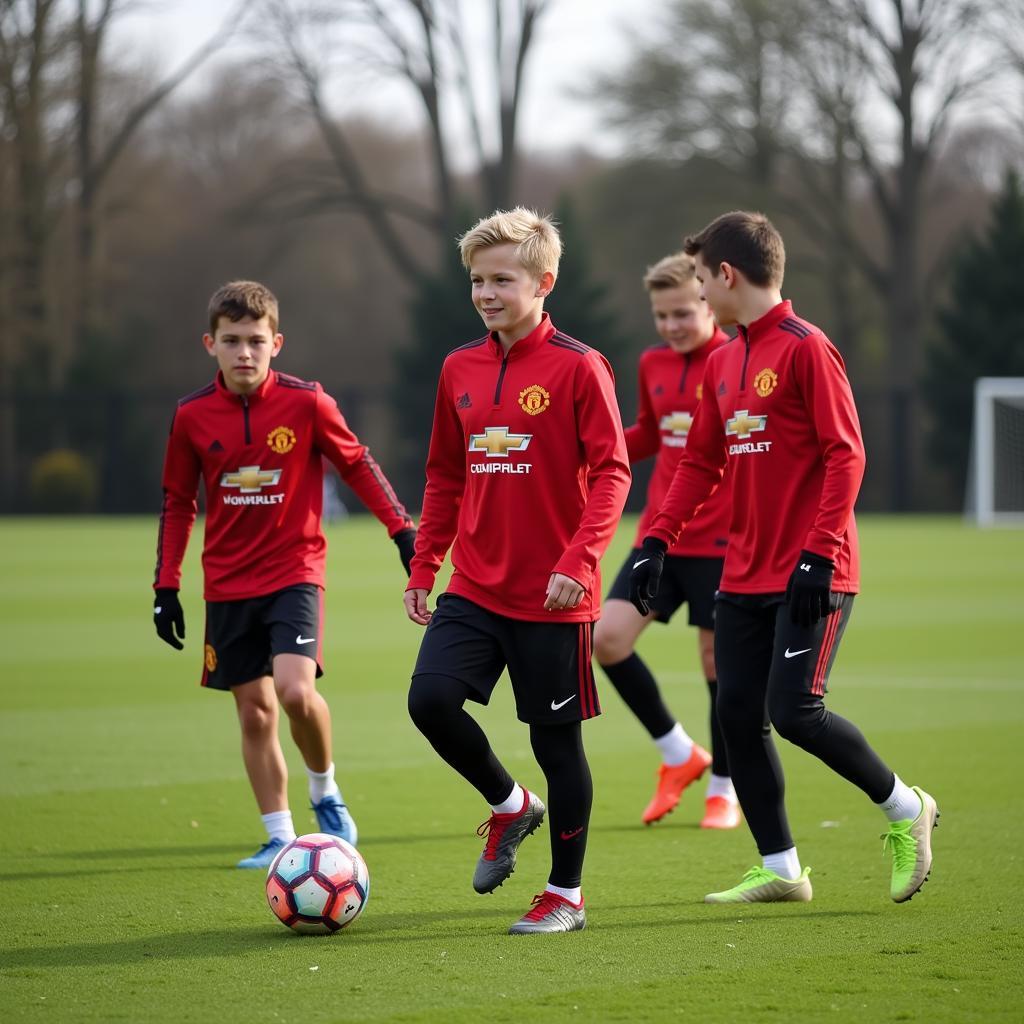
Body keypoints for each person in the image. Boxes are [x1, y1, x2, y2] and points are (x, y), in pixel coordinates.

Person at [629, 212, 938, 905]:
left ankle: (905, 809)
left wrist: (819, 556)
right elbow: (701, 461)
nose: (702, 292)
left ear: (727, 275)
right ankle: (781, 869)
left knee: (796, 712)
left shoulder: (807, 348)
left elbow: (844, 454)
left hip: (812, 572)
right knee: (738, 717)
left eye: (704, 278)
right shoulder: (724, 359)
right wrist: (656, 541)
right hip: (742, 573)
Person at [404, 208, 631, 934]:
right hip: (474, 582)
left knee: (555, 745)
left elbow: (613, 473)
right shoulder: (457, 368)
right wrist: (423, 564)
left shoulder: (578, 365)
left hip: (554, 593)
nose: (487, 292)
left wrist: (580, 559)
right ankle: (510, 805)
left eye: (502, 278)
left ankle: (566, 896)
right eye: (477, 279)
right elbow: (444, 474)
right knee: (430, 702)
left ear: (544, 281)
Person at [153, 280, 416, 869]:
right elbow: (177, 501)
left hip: (294, 571)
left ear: (277, 342)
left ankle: (326, 793)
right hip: (226, 583)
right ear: (210, 344)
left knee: (296, 691)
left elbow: (358, 465)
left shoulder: (307, 403)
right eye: (231, 341)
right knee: (255, 710)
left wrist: (401, 530)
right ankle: (278, 834)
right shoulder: (192, 416)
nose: (244, 352)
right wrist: (165, 586)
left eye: (255, 340)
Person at [595, 252, 739, 830]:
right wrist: (589, 455)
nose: (672, 326)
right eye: (661, 315)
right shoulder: (652, 362)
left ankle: (725, 790)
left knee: (717, 662)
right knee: (605, 639)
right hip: (661, 536)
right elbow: (652, 434)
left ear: (709, 302)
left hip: (725, 542)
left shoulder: (736, 359)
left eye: (682, 312)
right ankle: (679, 755)